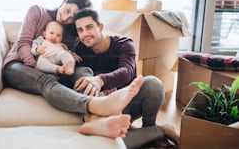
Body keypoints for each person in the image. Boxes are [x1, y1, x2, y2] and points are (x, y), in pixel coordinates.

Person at [2, 0, 143, 139]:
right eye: (67, 10)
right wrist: (35, 66)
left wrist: (98, 78)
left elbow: (68, 58)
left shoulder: (71, 34)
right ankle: (99, 105)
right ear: (64, 1)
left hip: (51, 69)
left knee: (84, 71)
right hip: (17, 66)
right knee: (46, 80)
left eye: (71, 18)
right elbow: (23, 43)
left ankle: (95, 121)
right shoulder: (37, 11)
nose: (65, 18)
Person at [72, 8, 179, 148]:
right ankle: (157, 132)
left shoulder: (124, 44)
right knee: (103, 141)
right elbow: (84, 76)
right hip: (104, 110)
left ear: (101, 27)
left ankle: (149, 126)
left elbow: (127, 71)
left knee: (154, 84)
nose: (85, 34)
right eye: (80, 30)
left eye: (89, 27)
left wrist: (102, 80)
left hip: (129, 103)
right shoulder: (81, 50)